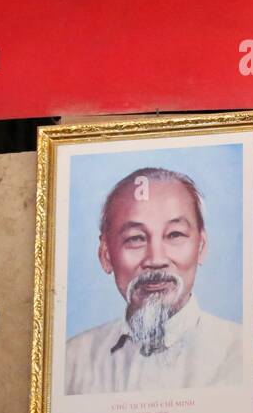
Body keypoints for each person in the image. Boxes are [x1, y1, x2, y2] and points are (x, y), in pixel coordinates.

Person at [65, 167, 243, 395]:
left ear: (201, 246)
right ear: (105, 255)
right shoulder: (70, 363)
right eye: (135, 238)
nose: (156, 260)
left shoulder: (243, 354)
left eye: (175, 234)